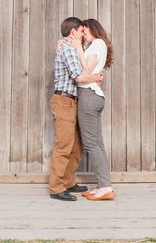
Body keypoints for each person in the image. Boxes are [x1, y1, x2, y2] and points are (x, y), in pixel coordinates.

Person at [49, 16, 103, 201]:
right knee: (63, 144)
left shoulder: (70, 47)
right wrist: (96, 78)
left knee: (77, 145)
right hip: (64, 100)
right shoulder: (67, 49)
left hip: (73, 101)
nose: (83, 34)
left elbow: (86, 54)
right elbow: (78, 76)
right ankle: (56, 187)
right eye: (81, 31)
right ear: (73, 32)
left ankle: (68, 181)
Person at [73, 17, 115, 201]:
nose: (83, 34)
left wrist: (77, 49)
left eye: (85, 30)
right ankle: (103, 185)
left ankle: (105, 187)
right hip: (95, 95)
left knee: (91, 143)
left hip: (88, 96)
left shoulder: (97, 43)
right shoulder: (97, 45)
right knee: (98, 143)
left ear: (92, 29)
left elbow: (86, 69)